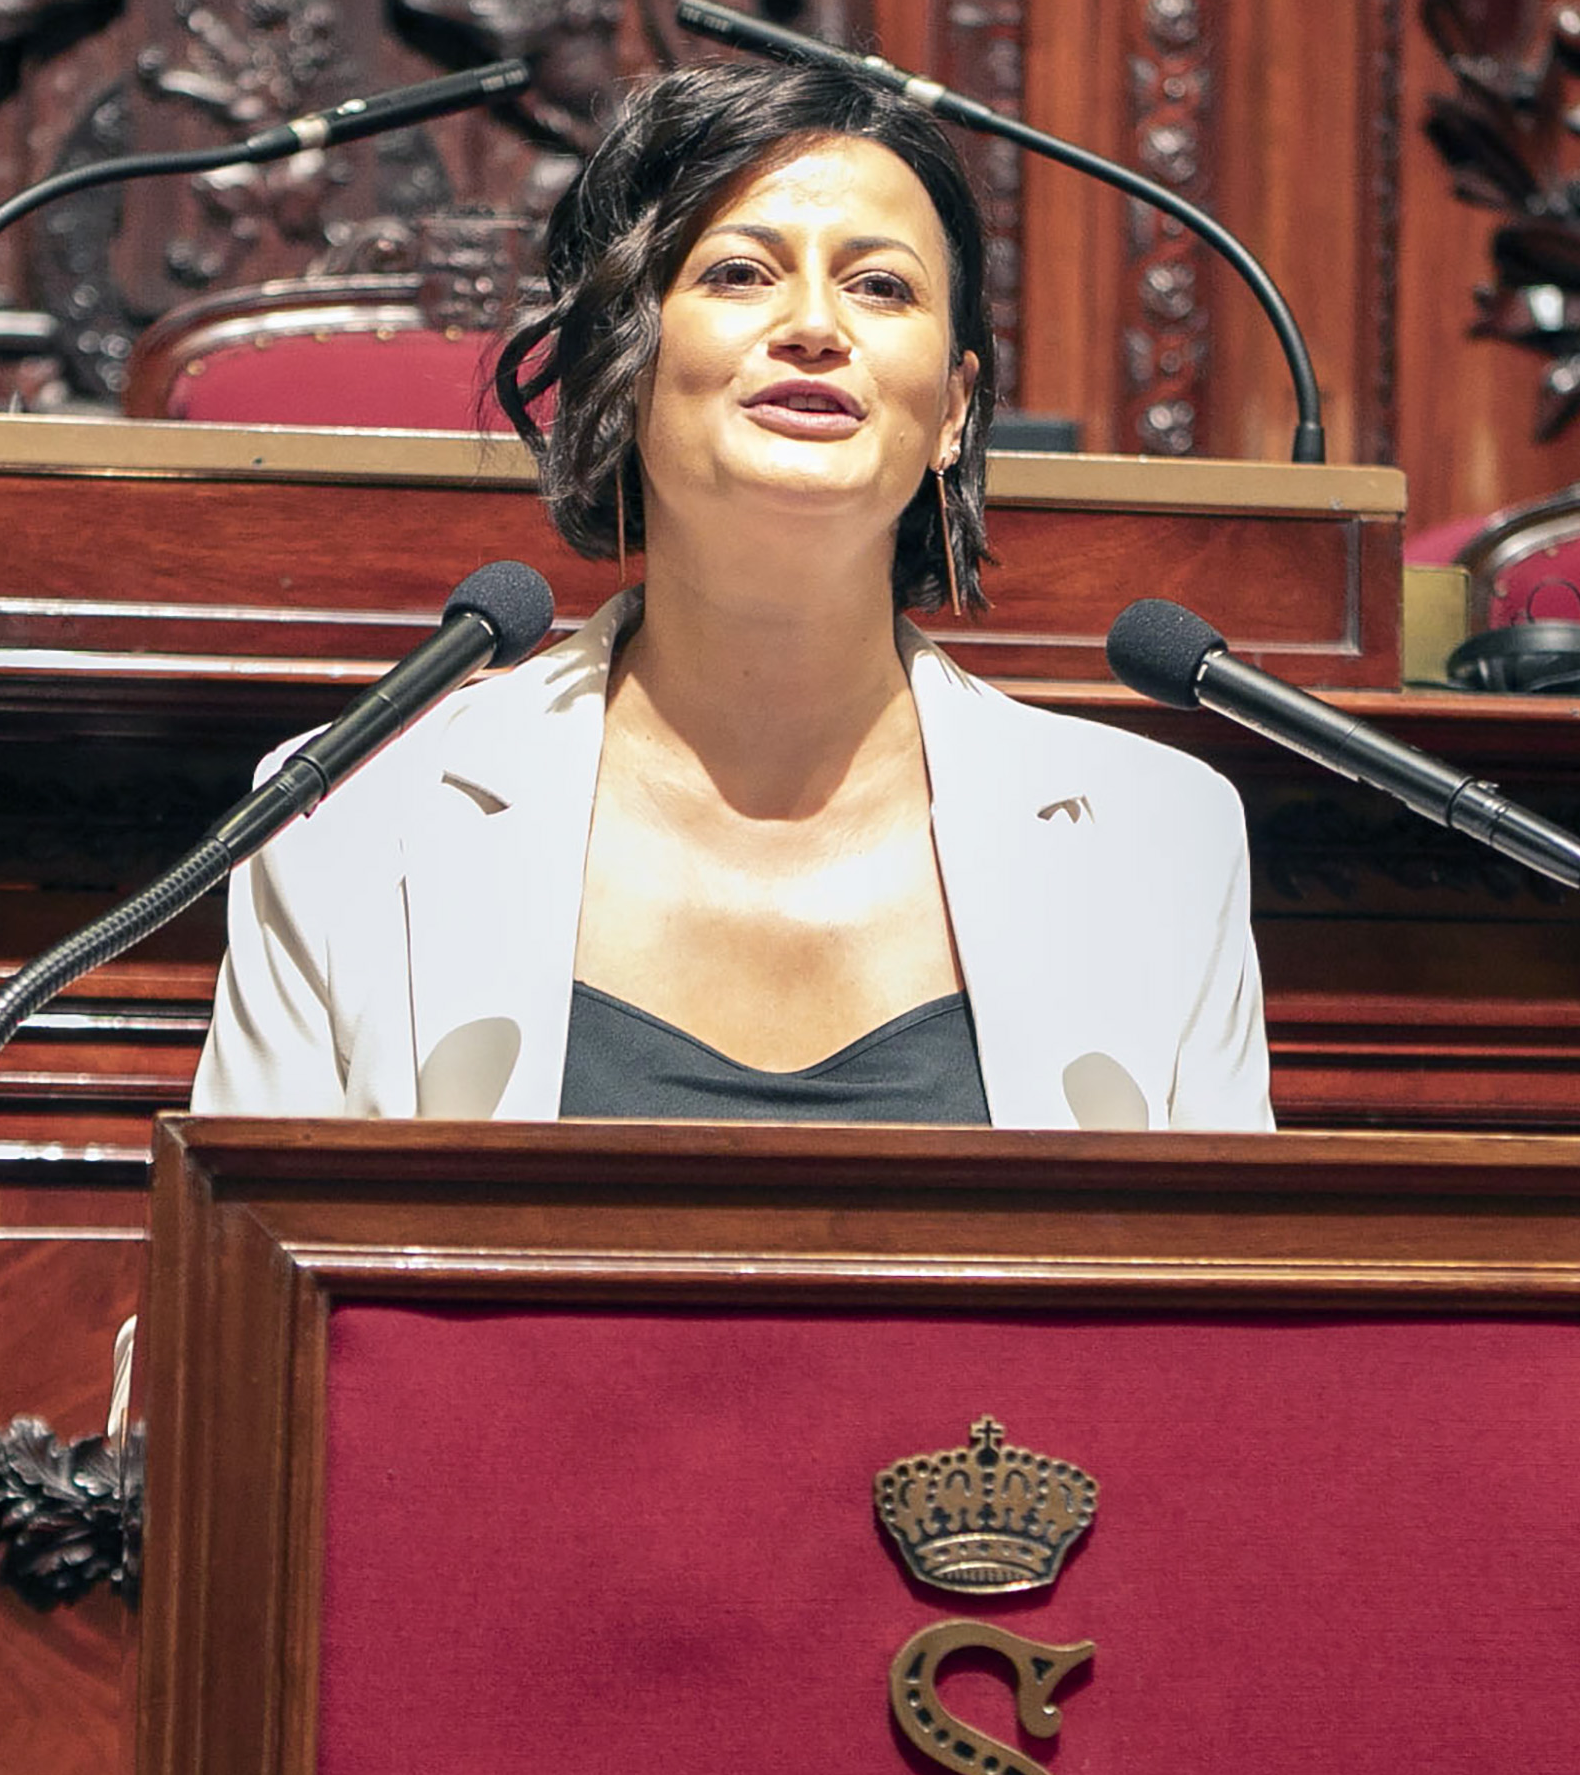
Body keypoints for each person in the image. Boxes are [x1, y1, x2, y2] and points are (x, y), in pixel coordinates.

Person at [191, 60, 1272, 1130]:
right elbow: (244, 1285)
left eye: (882, 286)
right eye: (740, 274)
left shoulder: (1157, 842)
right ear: (624, 360)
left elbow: (1220, 1295)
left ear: (952, 409)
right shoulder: (351, 819)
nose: (814, 325)